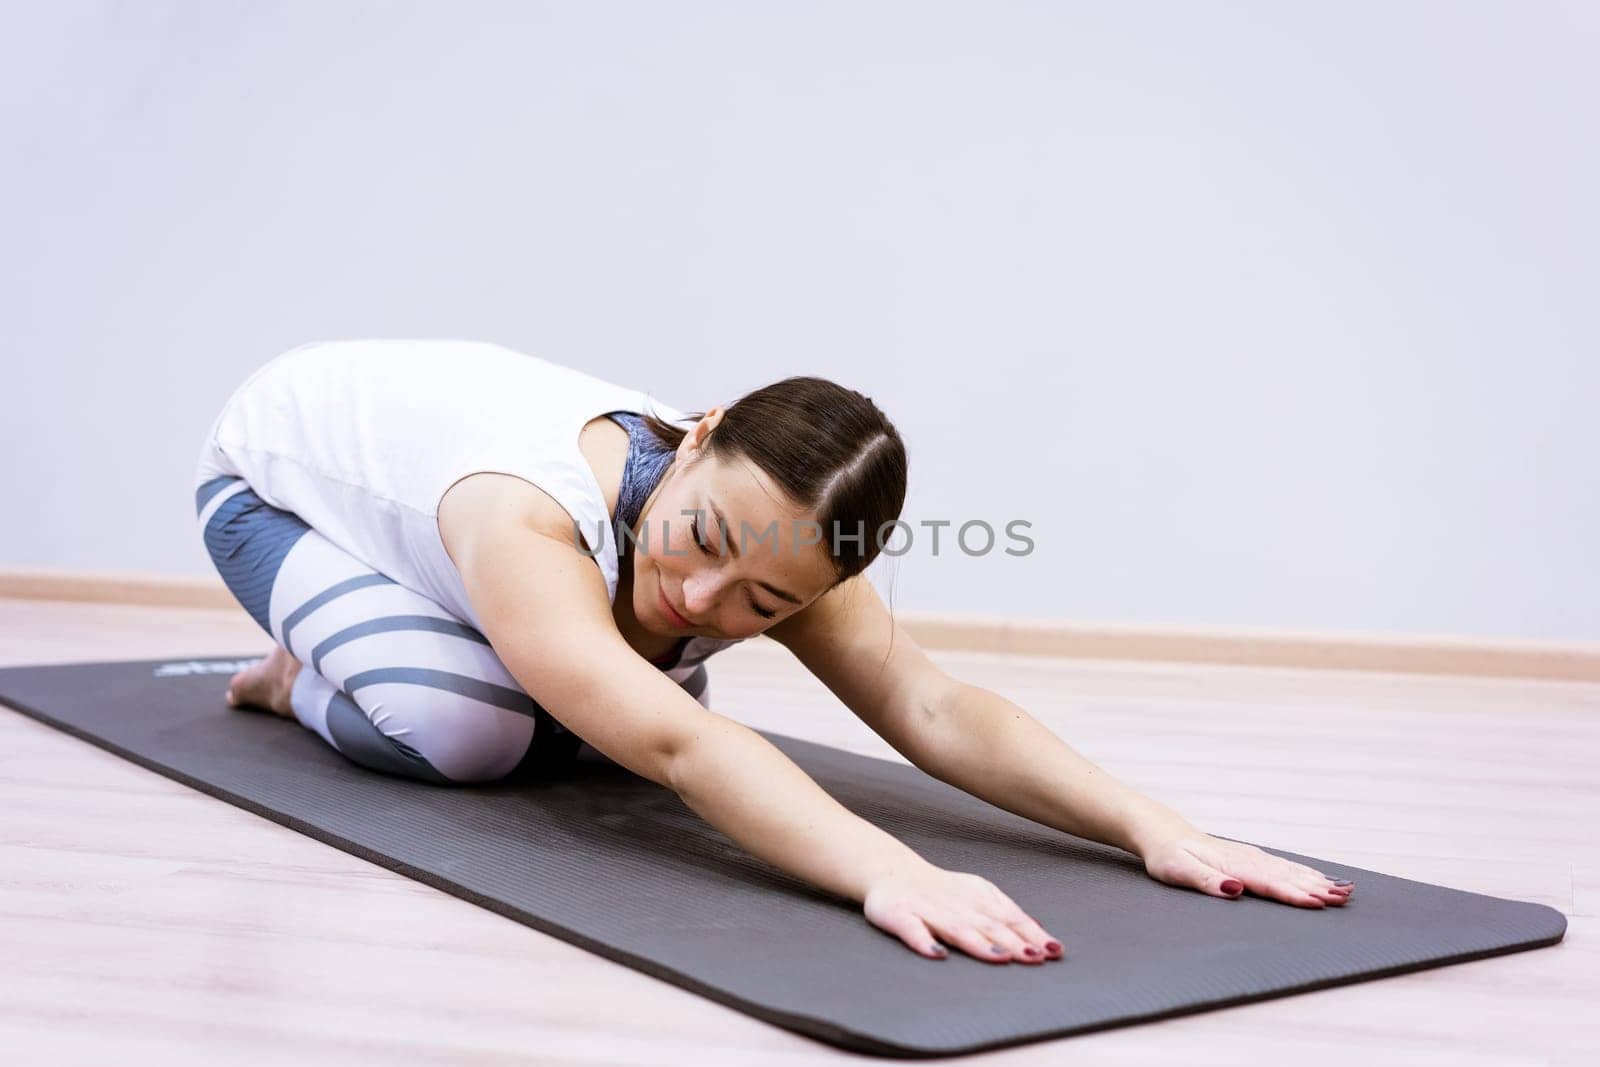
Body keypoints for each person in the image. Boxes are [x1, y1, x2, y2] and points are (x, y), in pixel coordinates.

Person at [192, 339, 1354, 967]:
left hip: (481, 551)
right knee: (475, 731)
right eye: (700, 539)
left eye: (766, 599)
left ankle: (535, 653)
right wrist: (884, 866)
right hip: (276, 490)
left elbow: (929, 703)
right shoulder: (527, 508)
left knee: (604, 679)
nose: (701, 593)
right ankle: (296, 675)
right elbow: (677, 742)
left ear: (828, 575)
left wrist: (1152, 824)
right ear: (696, 437)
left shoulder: (791, 534)